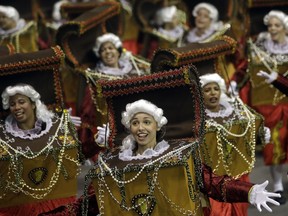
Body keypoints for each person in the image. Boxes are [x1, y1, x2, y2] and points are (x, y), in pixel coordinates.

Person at [40, 99, 280, 215]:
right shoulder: (114, 162)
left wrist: (248, 191)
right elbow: (90, 205)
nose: (141, 127)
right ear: (129, 128)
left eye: (147, 122)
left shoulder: (179, 153)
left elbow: (212, 183)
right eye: (135, 123)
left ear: (157, 126)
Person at [230, 10, 288, 205]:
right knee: (274, 146)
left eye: (276, 25)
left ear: (285, 27)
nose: (272, 29)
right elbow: (243, 69)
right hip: (266, 104)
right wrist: (235, 83)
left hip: (286, 101)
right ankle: (278, 185)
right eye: (270, 25)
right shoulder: (257, 47)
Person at [0, 84, 82, 216]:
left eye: (22, 102)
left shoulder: (55, 129)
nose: (17, 107)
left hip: (56, 206)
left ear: (33, 104)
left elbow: (81, 156)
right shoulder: (3, 136)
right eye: (12, 104)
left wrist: (73, 133)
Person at [199, 73, 270, 216]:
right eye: (207, 90)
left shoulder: (237, 113)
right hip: (214, 181)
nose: (213, 93)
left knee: (240, 210)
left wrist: (260, 136)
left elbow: (247, 137)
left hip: (238, 175)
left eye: (216, 88)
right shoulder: (197, 121)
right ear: (200, 95)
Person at [79, 32, 150, 161]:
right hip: (111, 129)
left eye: (110, 48)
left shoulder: (135, 69)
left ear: (118, 51)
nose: (107, 52)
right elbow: (88, 112)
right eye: (103, 50)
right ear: (99, 55)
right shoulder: (95, 78)